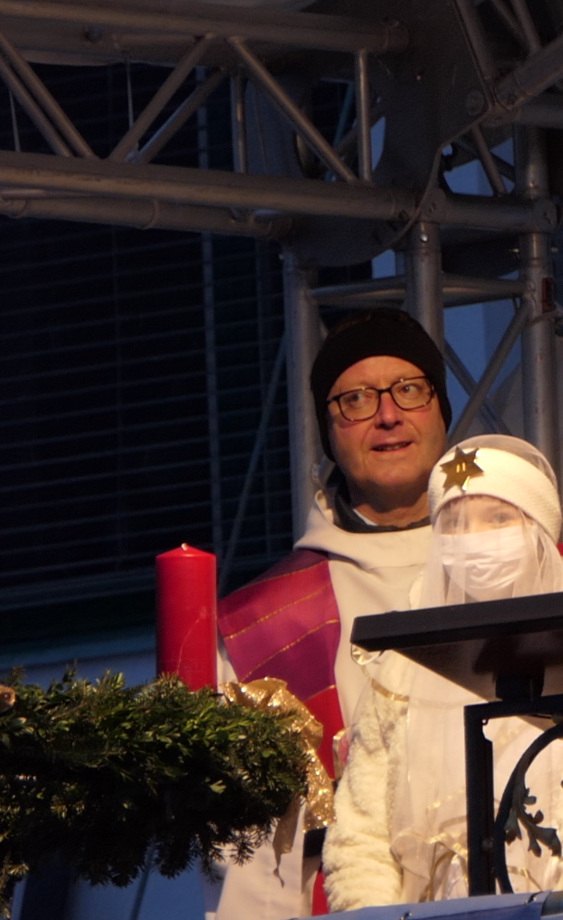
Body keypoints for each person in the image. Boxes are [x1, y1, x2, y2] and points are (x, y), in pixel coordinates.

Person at [212, 308, 453, 918]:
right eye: (356, 400)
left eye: (409, 389)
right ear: (328, 430)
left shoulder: (535, 576)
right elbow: (244, 854)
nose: (388, 415)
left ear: (442, 411)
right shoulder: (261, 627)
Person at [325, 436, 563, 908]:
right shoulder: (405, 666)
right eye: (457, 524)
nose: (477, 539)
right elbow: (360, 837)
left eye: (499, 518)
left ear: (538, 526)